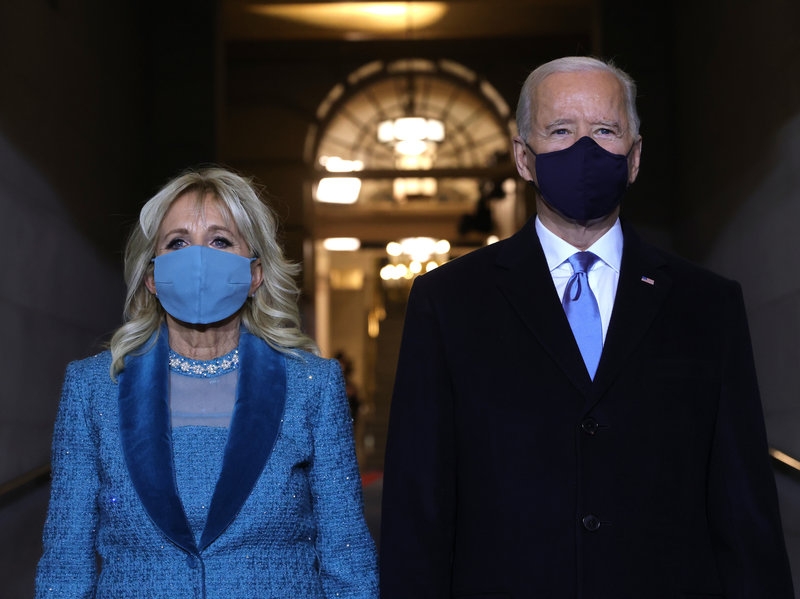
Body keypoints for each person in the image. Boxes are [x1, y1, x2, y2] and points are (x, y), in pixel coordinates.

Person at [380, 56, 794, 598]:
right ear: (523, 158)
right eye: (560, 130)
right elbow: (419, 505)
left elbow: (744, 508)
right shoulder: (449, 301)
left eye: (604, 130)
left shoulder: (707, 305)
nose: (584, 149)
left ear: (635, 156)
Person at [35, 167, 378, 598]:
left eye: (220, 241)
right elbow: (65, 567)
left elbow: (348, 561)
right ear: (152, 277)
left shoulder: (313, 386)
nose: (198, 259)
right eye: (177, 242)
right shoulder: (93, 389)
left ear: (255, 274)